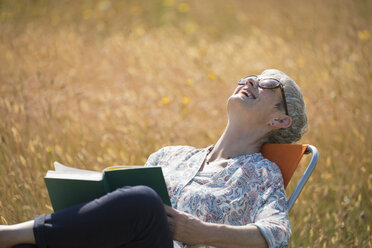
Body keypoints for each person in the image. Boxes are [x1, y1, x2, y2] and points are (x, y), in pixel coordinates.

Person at [0, 69, 307, 248]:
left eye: (268, 85)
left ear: (280, 121)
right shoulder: (170, 155)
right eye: (251, 76)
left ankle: (9, 233)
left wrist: (200, 232)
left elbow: (277, 234)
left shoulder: (263, 174)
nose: (251, 81)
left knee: (146, 203)